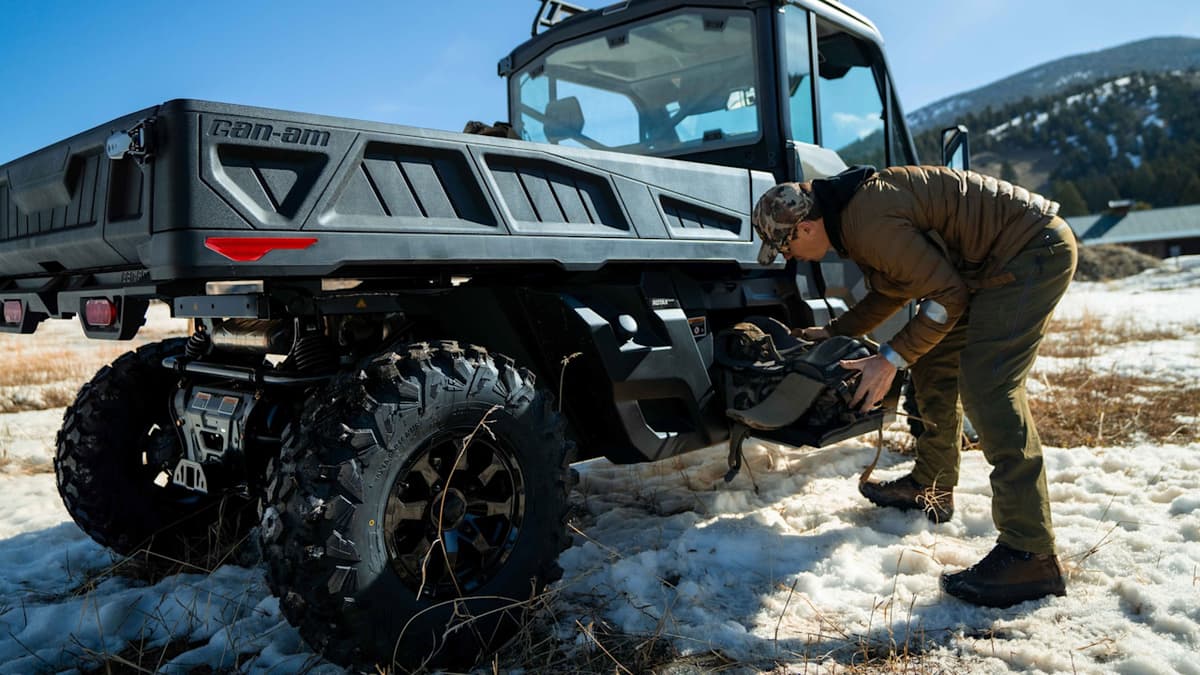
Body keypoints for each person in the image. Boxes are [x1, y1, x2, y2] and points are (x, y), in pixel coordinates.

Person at [752, 165, 1077, 608]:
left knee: (989, 387)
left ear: (806, 226)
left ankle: (1030, 553)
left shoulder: (867, 220)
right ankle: (933, 488)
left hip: (1030, 251)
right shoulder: (853, 218)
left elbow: (947, 297)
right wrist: (833, 334)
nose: (789, 256)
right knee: (933, 361)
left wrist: (888, 360)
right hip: (986, 266)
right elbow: (895, 289)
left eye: (785, 245)